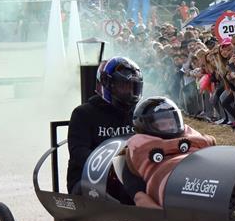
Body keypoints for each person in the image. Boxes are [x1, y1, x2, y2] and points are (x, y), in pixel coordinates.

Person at [66, 57, 143, 194]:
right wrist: (114, 166)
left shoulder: (139, 113)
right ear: (107, 84)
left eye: (133, 87)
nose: (129, 93)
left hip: (131, 175)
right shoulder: (83, 114)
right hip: (89, 178)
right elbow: (79, 153)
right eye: (123, 86)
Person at [125, 96, 215, 208]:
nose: (170, 128)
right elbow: (137, 194)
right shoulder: (138, 148)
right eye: (162, 124)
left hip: (206, 175)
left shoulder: (192, 136)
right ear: (146, 126)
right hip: (177, 190)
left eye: (171, 123)